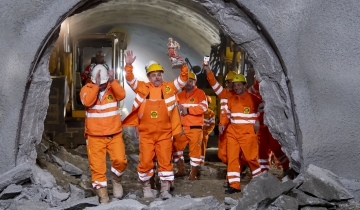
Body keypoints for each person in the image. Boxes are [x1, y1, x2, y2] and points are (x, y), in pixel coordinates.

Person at [122, 50, 188, 200]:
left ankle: (165, 189)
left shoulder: (169, 88)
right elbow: (130, 79)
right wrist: (128, 65)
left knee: (165, 160)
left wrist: (183, 64)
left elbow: (184, 79)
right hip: (146, 133)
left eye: (159, 74)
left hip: (165, 132)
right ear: (149, 77)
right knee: (145, 161)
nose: (157, 77)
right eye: (153, 75)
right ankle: (147, 187)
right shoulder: (143, 88)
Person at [79, 64, 128, 204]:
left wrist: (112, 81)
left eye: (103, 82)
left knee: (120, 160)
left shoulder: (113, 87)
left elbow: (122, 95)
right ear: (92, 80)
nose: (101, 85)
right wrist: (96, 86)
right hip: (94, 137)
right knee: (97, 167)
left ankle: (116, 180)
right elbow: (87, 101)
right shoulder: (86, 89)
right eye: (98, 82)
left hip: (114, 134)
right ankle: (103, 196)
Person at [219, 74, 262, 194]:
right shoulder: (231, 99)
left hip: (247, 132)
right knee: (232, 158)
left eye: (239, 85)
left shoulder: (253, 99)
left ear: (244, 86)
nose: (236, 87)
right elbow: (225, 114)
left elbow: (262, 109)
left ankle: (259, 181)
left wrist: (258, 121)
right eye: (235, 85)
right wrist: (222, 124)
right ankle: (234, 185)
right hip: (232, 133)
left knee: (251, 158)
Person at [248, 78, 291, 175]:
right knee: (262, 149)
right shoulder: (256, 86)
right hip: (262, 123)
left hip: (274, 123)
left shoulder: (275, 83)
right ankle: (264, 173)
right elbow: (248, 97)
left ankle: (286, 167)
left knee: (275, 146)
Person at [203, 65, 236, 187]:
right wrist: (208, 70)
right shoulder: (223, 93)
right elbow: (213, 82)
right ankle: (236, 167)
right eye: (228, 82)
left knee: (233, 155)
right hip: (224, 130)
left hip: (234, 129)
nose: (230, 84)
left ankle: (232, 176)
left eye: (232, 82)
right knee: (222, 155)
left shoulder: (239, 96)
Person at [172, 71, 208, 180]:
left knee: (195, 153)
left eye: (190, 81)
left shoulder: (200, 94)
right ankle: (181, 170)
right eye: (186, 81)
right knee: (176, 149)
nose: (188, 83)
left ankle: (192, 175)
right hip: (181, 129)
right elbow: (174, 111)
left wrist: (188, 110)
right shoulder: (179, 95)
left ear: (195, 82)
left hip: (195, 129)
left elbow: (204, 108)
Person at [200, 95, 215, 165]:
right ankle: (194, 162)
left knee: (203, 147)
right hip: (196, 132)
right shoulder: (198, 111)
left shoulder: (211, 113)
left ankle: (201, 162)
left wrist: (207, 132)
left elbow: (212, 125)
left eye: (207, 102)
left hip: (204, 133)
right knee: (194, 147)